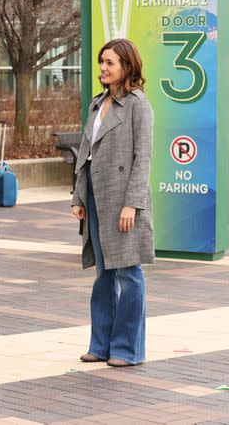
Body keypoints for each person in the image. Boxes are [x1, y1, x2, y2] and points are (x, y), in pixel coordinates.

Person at [71, 38, 154, 367]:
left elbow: (143, 158)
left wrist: (132, 204)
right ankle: (101, 344)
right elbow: (85, 155)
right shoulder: (96, 103)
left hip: (123, 199)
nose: (103, 68)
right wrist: (79, 196)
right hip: (95, 195)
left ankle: (127, 349)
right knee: (103, 274)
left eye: (111, 63)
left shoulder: (138, 104)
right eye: (101, 61)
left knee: (128, 273)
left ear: (127, 67)